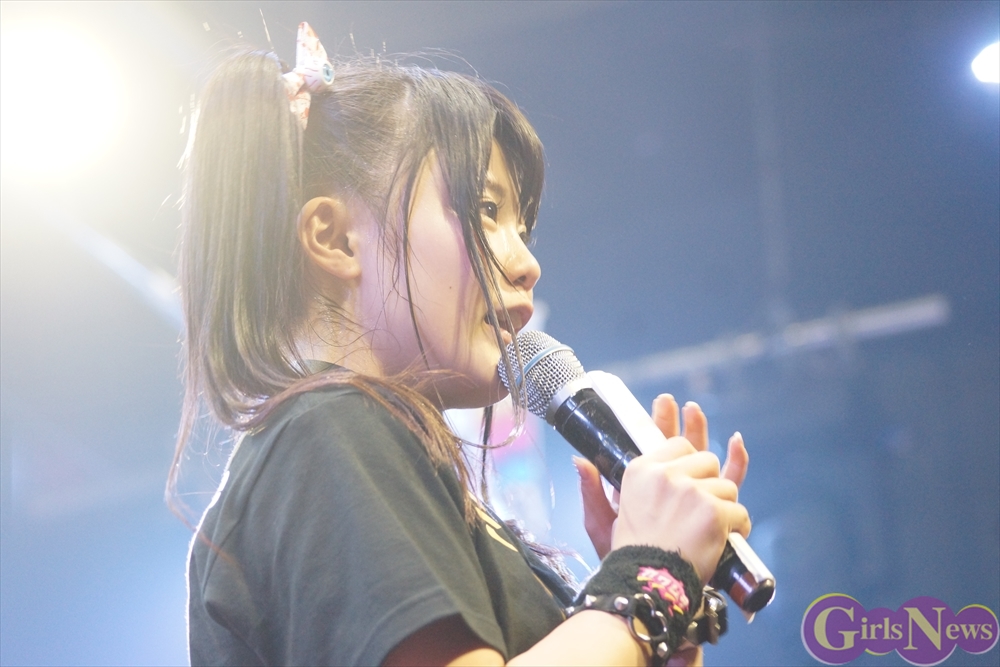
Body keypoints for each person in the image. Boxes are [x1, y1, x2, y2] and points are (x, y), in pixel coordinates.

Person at [169, 22, 752, 667]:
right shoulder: (325, 429)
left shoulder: (363, 451)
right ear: (335, 239)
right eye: (485, 210)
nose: (526, 264)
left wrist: (663, 619)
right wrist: (647, 580)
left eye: (524, 229)